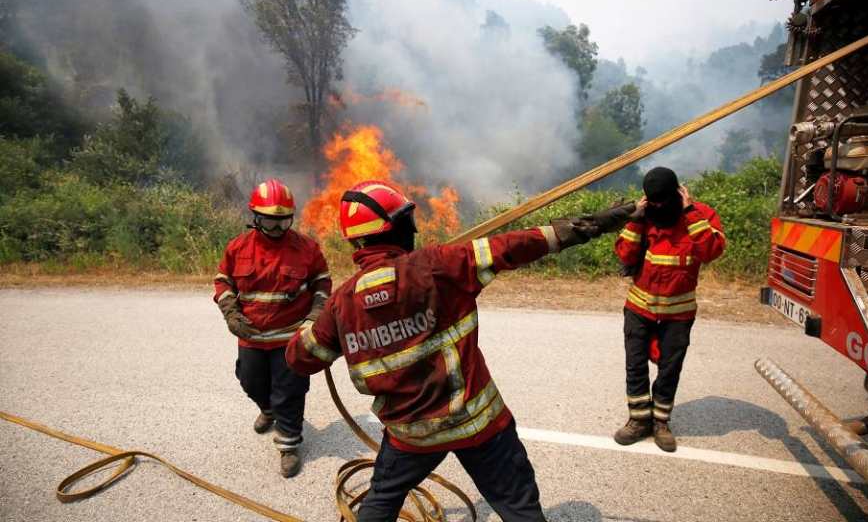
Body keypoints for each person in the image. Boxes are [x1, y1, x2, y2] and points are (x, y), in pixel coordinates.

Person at [285, 180, 635, 521]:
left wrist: (317, 311)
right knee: (520, 509)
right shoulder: (438, 265)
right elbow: (518, 244)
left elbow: (300, 358)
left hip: (412, 437)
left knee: (380, 503)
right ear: (395, 227)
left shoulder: (342, 303)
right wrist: (597, 222)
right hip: (478, 426)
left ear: (358, 241)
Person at [214, 178, 332, 478]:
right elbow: (224, 283)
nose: (278, 228)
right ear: (256, 217)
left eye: (284, 221)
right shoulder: (237, 248)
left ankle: (289, 444)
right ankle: (267, 410)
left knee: (290, 390)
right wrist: (230, 313)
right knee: (250, 381)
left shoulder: (307, 248)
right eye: (270, 221)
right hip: (251, 336)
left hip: (290, 336)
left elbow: (322, 284)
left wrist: (314, 316)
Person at [612, 166, 726, 452]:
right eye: (654, 203)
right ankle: (638, 421)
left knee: (669, 368)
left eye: (665, 201)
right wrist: (636, 220)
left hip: (679, 312)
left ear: (679, 193)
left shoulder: (700, 214)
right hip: (639, 307)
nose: (660, 208)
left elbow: (711, 250)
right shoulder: (644, 214)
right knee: (635, 366)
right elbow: (625, 254)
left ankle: (661, 423)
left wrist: (689, 213)